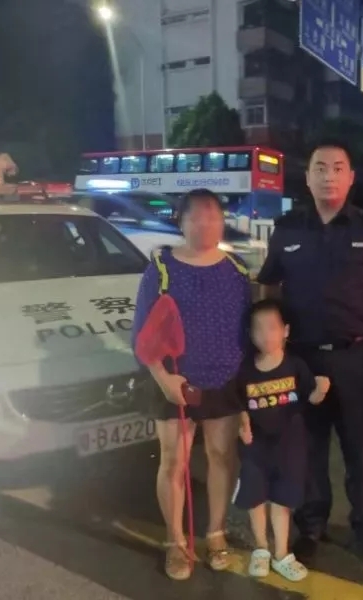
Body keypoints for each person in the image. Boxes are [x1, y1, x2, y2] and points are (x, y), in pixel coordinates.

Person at [255, 140, 363, 568]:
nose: (329, 176)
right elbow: (269, 288)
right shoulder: (288, 230)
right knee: (307, 447)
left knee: (361, 449)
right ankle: (311, 526)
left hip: (355, 358)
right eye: (320, 168)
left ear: (351, 177)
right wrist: (268, 348)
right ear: (307, 178)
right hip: (301, 358)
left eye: (338, 168)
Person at [131, 188, 251, 580]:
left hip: (225, 383)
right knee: (173, 462)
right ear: (180, 222)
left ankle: (216, 534)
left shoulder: (236, 271)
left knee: (221, 457)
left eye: (213, 216)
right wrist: (164, 380)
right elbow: (143, 334)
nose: (205, 224)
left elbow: (248, 332)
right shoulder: (162, 268)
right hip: (174, 382)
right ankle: (175, 541)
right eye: (195, 216)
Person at [233, 298, 331, 582]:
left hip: (289, 447)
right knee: (256, 498)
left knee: (282, 500)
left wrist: (321, 390)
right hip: (255, 448)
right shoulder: (245, 369)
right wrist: (242, 424)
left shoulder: (295, 365)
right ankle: (261, 549)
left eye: (272, 327)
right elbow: (238, 404)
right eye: (258, 328)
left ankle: (281, 553)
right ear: (250, 334)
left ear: (285, 331)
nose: (266, 335)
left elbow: (311, 398)